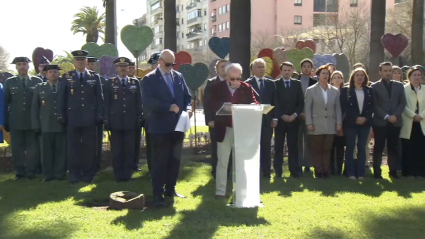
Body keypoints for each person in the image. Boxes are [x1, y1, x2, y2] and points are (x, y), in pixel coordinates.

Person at [142, 49, 192, 205]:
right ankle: (158, 193)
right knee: (160, 161)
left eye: (173, 64)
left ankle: (171, 189)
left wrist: (189, 108)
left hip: (177, 125)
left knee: (174, 159)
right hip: (159, 127)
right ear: (160, 62)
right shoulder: (149, 79)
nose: (171, 67)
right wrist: (167, 107)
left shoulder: (178, 77)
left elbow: (187, 97)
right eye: (168, 64)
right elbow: (148, 102)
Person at [209, 63, 258, 198]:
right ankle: (220, 191)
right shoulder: (217, 87)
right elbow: (211, 103)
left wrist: (254, 105)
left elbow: (254, 101)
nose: (235, 82)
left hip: (241, 129)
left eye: (238, 78)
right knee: (223, 162)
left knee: (240, 162)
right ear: (226, 76)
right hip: (223, 129)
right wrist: (223, 106)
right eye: (232, 79)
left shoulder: (246, 88)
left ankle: (240, 191)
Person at [57, 50, 104, 184]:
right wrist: (61, 115)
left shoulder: (94, 77)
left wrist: (100, 115)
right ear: (74, 62)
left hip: (90, 118)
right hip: (73, 119)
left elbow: (99, 99)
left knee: (90, 149)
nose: (80, 62)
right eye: (78, 60)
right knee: (73, 148)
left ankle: (88, 174)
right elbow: (61, 98)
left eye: (83, 60)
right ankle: (75, 175)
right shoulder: (67, 77)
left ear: (86, 62)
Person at [104, 57, 142, 182]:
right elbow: (107, 103)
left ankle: (127, 174)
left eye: (125, 66)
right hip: (116, 123)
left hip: (131, 123)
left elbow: (138, 103)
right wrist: (107, 120)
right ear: (116, 68)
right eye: (120, 66)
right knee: (117, 150)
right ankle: (118, 175)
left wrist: (138, 118)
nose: (123, 68)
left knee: (129, 150)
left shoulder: (134, 83)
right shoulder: (110, 83)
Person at [4, 57, 42, 180]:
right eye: (19, 64)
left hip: (32, 121)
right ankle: (20, 172)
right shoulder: (9, 82)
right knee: (17, 149)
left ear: (28, 66)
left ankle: (31, 171)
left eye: (24, 64)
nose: (22, 67)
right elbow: (5, 103)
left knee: (32, 149)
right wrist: (5, 121)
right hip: (16, 121)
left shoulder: (37, 81)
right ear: (16, 67)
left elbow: (41, 103)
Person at [305, 65, 342, 179]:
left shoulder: (334, 91)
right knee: (317, 149)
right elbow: (308, 108)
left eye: (327, 74)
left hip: (330, 124)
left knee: (327, 149)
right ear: (318, 75)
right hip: (316, 124)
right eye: (323, 73)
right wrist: (309, 123)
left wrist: (339, 122)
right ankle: (318, 170)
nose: (325, 75)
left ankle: (326, 171)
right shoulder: (311, 90)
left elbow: (337, 108)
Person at [371, 62, 406, 179]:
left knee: (393, 147)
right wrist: (386, 116)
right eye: (385, 71)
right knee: (379, 147)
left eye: (390, 70)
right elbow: (375, 105)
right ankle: (377, 172)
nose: (388, 73)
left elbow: (402, 103)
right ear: (380, 72)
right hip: (380, 122)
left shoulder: (399, 86)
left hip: (395, 122)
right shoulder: (374, 86)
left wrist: (395, 115)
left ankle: (393, 171)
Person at [31, 65, 67, 182]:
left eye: (55, 72)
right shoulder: (39, 87)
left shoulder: (64, 87)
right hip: (45, 126)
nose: (53, 74)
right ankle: (48, 175)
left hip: (61, 125)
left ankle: (59, 174)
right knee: (46, 153)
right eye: (50, 72)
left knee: (60, 152)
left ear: (58, 74)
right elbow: (35, 108)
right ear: (46, 74)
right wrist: (36, 125)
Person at [245, 58, 276, 179]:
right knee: (253, 148)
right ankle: (254, 172)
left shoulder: (270, 83)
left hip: (267, 121)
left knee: (266, 146)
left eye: (263, 67)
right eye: (258, 67)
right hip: (252, 122)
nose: (261, 69)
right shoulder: (247, 84)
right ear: (252, 69)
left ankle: (267, 172)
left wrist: (275, 118)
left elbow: (275, 101)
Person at [340, 68, 374, 180]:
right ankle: (350, 173)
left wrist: (365, 118)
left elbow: (372, 107)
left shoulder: (369, 90)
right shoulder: (346, 90)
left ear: (365, 78)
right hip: (350, 123)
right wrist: (356, 117)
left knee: (362, 147)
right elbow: (345, 106)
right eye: (357, 75)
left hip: (365, 123)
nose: (360, 77)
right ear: (353, 77)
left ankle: (361, 173)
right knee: (350, 147)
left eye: (362, 75)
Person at [274, 62, 304, 178]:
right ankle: (278, 172)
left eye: (289, 70)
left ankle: (294, 171)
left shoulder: (297, 84)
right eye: (285, 70)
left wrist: (295, 115)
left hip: (293, 120)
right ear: (281, 71)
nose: (287, 72)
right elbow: (275, 101)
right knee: (278, 146)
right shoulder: (275, 84)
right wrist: (281, 115)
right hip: (280, 121)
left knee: (293, 146)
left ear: (292, 71)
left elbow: (300, 101)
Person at [203, 59, 229, 178]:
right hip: (216, 122)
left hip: (231, 121)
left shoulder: (233, 81)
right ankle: (216, 172)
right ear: (217, 70)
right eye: (222, 66)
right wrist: (209, 120)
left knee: (230, 148)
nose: (224, 68)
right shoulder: (211, 83)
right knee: (217, 148)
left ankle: (228, 172)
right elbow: (207, 103)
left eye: (226, 66)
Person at [400, 67, 425, 178]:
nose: (417, 77)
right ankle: (408, 172)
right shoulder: (403, 89)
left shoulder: (424, 89)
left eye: (419, 75)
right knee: (408, 148)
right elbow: (402, 105)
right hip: (409, 122)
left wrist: (421, 115)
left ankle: (420, 172)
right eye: (414, 75)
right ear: (409, 77)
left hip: (422, 122)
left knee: (421, 147)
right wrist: (413, 115)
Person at [86, 56, 107, 173]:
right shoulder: (82, 79)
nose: (90, 66)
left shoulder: (103, 80)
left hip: (98, 116)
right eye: (88, 64)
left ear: (96, 66)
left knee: (98, 142)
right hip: (87, 116)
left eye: (92, 64)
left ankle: (97, 165)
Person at [142, 51, 161, 175]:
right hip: (152, 118)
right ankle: (152, 170)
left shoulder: (172, 78)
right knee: (152, 146)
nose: (157, 66)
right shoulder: (147, 79)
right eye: (155, 64)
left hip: (168, 118)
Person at [298, 58, 317, 173]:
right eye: (304, 66)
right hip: (298, 115)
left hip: (311, 116)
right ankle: (299, 164)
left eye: (308, 66)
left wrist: (309, 113)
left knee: (309, 141)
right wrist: (300, 112)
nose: (306, 68)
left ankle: (308, 165)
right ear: (301, 68)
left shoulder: (315, 82)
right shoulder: (296, 81)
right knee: (298, 141)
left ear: (311, 69)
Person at [127, 61, 143, 172]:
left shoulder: (139, 81)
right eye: (129, 68)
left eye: (133, 67)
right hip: (125, 116)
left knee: (136, 143)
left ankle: (135, 164)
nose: (131, 70)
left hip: (136, 116)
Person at [329, 71, 345, 175]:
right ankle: (331, 168)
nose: (337, 79)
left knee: (340, 147)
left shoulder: (345, 92)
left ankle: (339, 168)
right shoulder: (328, 91)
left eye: (339, 77)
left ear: (342, 79)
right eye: (335, 77)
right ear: (331, 80)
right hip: (330, 122)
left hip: (343, 123)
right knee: (331, 146)